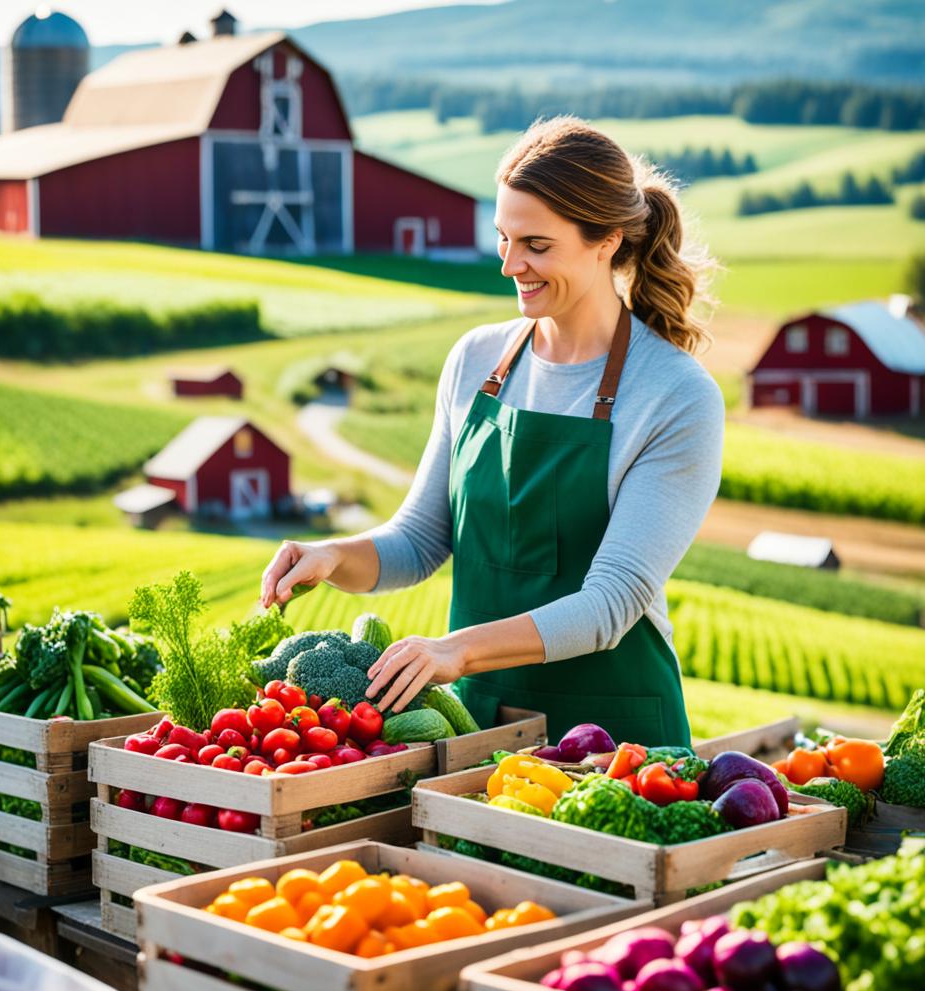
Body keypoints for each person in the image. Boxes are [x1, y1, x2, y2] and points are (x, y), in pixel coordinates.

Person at [260, 115, 724, 747]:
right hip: (479, 725)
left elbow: (611, 604)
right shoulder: (477, 360)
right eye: (503, 238)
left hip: (620, 741)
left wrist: (455, 652)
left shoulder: (674, 395)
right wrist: (333, 556)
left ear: (608, 241)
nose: (510, 265)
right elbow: (420, 540)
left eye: (536, 245)